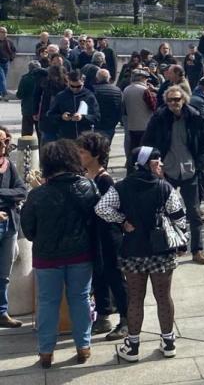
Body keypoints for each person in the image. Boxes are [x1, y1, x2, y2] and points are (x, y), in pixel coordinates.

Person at [95, 147, 185, 362]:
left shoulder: (121, 187)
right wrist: (182, 242)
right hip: (162, 251)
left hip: (133, 251)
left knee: (135, 298)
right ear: (145, 163)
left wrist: (122, 221)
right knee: (164, 297)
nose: (160, 164)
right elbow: (179, 217)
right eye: (156, 160)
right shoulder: (165, 187)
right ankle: (168, 342)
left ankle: (133, 347)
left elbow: (101, 208)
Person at [22, 139, 100, 367]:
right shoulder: (88, 187)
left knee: (47, 302)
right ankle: (83, 346)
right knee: (81, 299)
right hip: (81, 254)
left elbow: (28, 230)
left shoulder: (37, 195)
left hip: (47, 257)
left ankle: (46, 351)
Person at [142, 86, 204, 264]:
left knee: (194, 213)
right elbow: (147, 142)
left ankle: (197, 250)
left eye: (177, 99)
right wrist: (155, 162)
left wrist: (199, 165)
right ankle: (170, 248)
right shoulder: (159, 118)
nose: (174, 103)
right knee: (165, 212)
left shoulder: (195, 117)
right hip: (168, 171)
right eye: (171, 100)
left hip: (190, 170)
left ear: (184, 100)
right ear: (166, 102)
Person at [75, 132, 128, 340]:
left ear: (95, 155)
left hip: (108, 234)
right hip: (93, 234)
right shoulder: (85, 176)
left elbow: (111, 209)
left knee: (114, 275)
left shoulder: (104, 180)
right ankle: (103, 315)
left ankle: (126, 317)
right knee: (98, 275)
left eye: (82, 152)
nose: (79, 155)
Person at [0, 126, 28, 328]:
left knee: (4, 272)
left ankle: (2, 312)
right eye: (1, 141)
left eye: (6, 141)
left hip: (9, 223)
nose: (4, 145)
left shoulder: (8, 165)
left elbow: (21, 190)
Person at [47, 70, 99, 140]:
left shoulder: (89, 96)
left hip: (85, 136)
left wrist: (83, 117)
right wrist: (61, 117)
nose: (75, 89)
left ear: (83, 81)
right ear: (68, 82)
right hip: (66, 136)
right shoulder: (61, 96)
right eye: (72, 86)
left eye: (78, 86)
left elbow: (96, 116)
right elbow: (50, 114)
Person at [121, 70, 155, 169]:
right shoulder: (144, 90)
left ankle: (131, 167)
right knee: (145, 149)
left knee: (133, 147)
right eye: (146, 79)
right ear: (142, 79)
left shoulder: (126, 89)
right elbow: (153, 106)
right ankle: (142, 167)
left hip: (132, 125)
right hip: (145, 125)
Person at [17, 60, 47, 136]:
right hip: (40, 109)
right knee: (40, 133)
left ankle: (26, 147)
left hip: (27, 108)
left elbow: (19, 95)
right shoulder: (45, 78)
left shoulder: (25, 78)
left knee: (26, 132)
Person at [92, 70, 122, 142]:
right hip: (111, 123)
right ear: (109, 78)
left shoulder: (92, 90)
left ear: (97, 78)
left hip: (97, 123)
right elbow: (121, 107)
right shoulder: (117, 90)